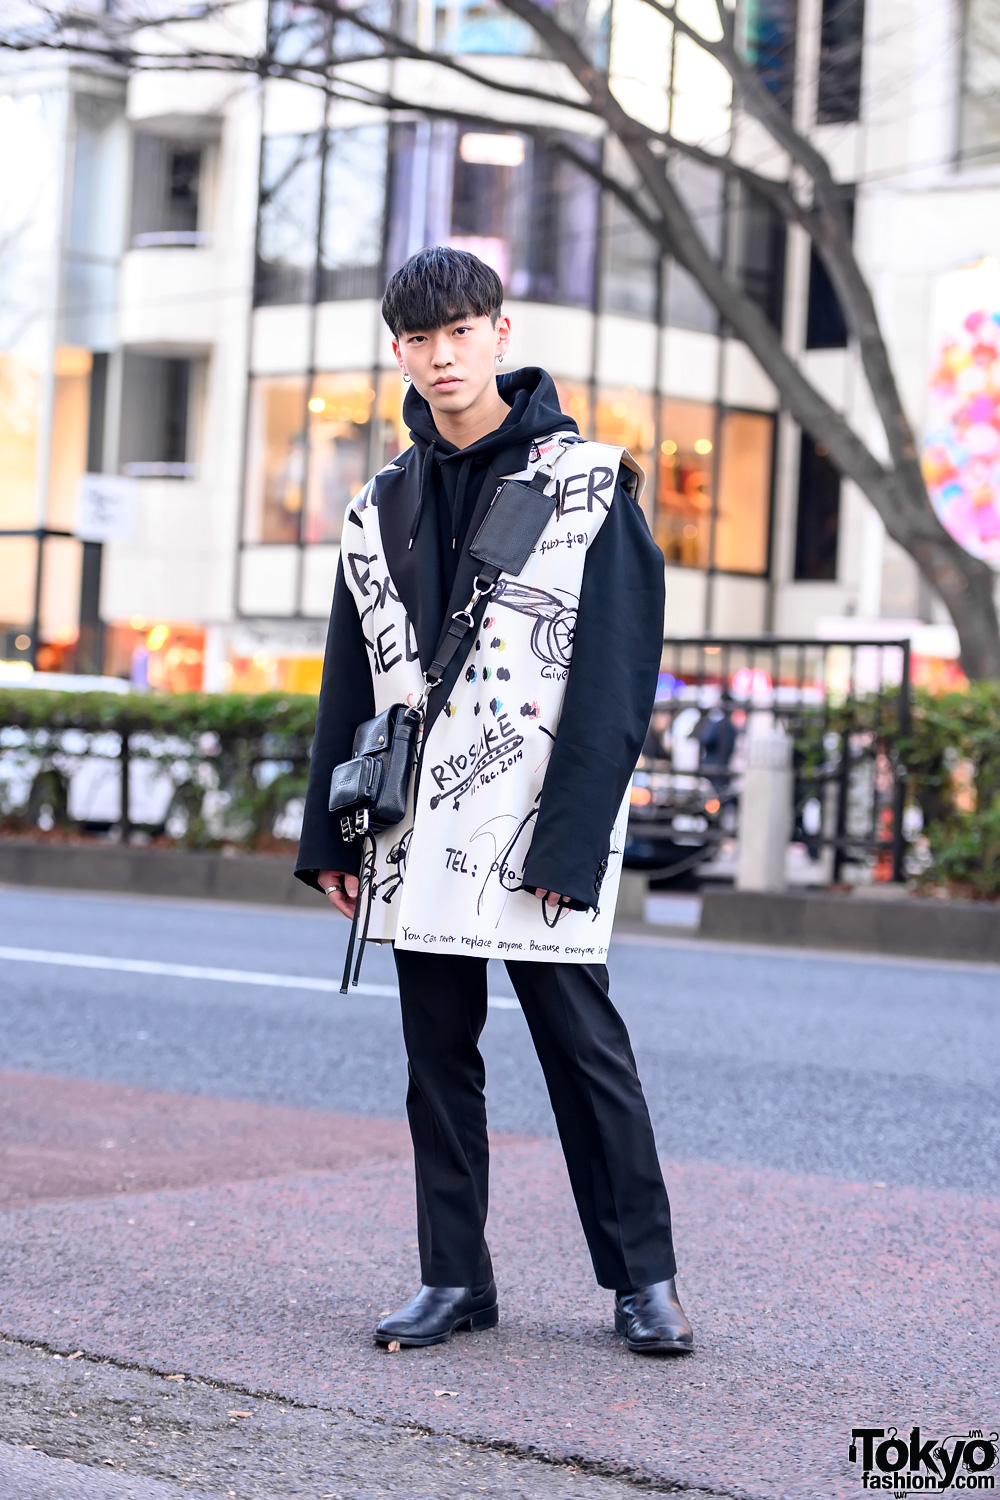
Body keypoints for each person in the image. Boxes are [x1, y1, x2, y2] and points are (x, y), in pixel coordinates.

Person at [296, 247, 692, 1356]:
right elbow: (350, 679)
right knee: (436, 1062)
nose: (441, 356)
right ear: (398, 352)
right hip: (418, 827)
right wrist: (331, 834)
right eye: (420, 339)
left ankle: (644, 1280)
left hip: (536, 821)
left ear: (500, 335)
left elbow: (615, 677)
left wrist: (569, 840)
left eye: (460, 332)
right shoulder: (378, 503)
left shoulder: (586, 484)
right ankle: (454, 1277)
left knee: (584, 1054)